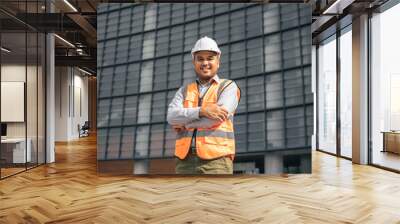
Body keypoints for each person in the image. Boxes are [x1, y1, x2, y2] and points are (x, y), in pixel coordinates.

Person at [167, 36, 241, 174]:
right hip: (184, 161)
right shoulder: (184, 90)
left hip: (216, 161)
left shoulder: (228, 87)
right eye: (200, 59)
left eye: (210, 58)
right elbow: (171, 117)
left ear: (218, 62)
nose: (205, 62)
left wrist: (185, 125)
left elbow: (216, 118)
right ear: (194, 63)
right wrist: (202, 111)